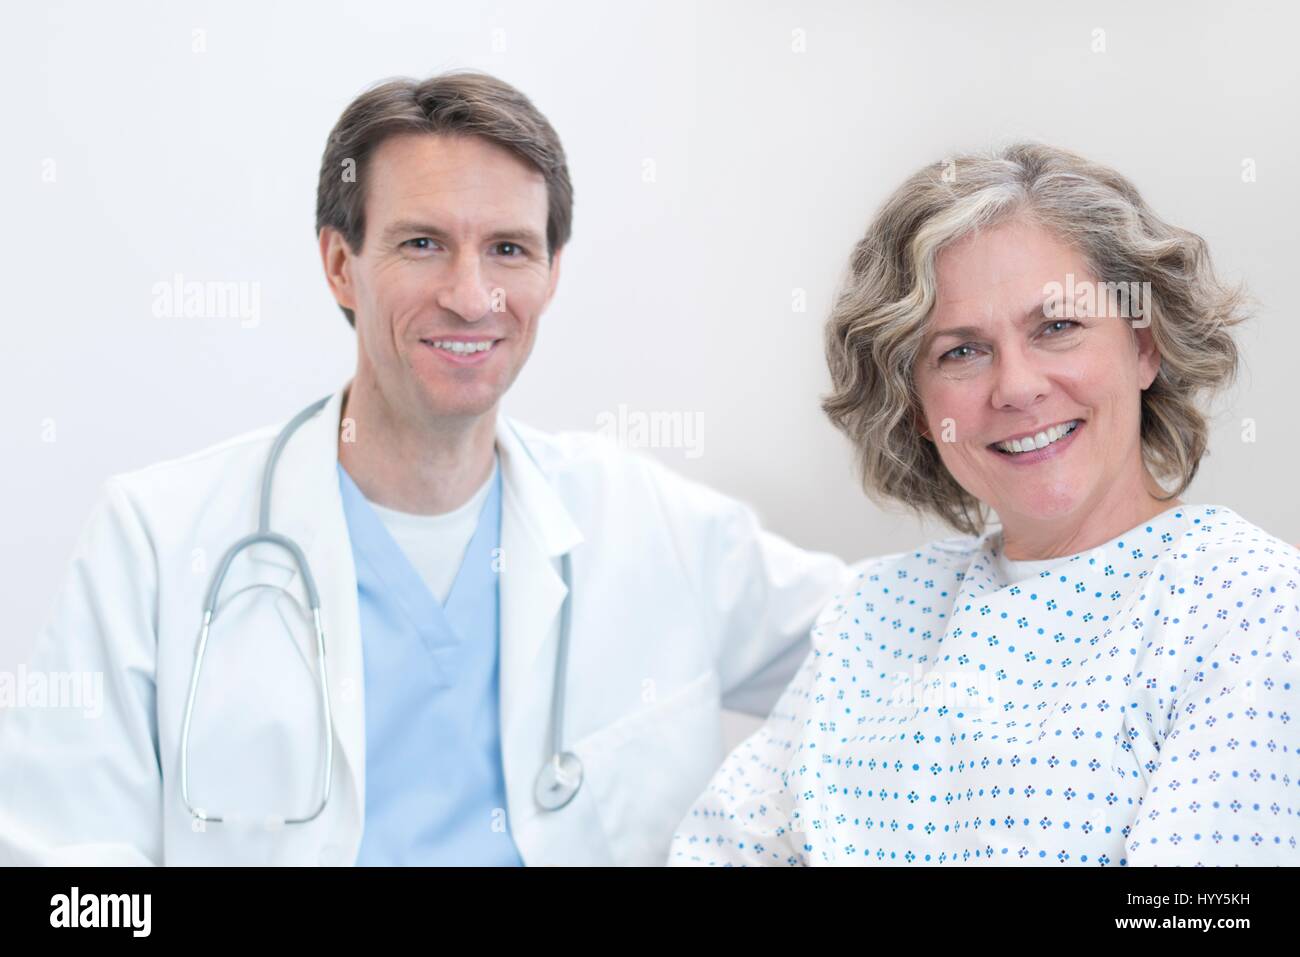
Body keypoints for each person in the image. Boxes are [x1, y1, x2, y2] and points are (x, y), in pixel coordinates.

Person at [0, 71, 846, 866]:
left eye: (510, 249)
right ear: (341, 265)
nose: (471, 296)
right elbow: (69, 884)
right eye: (423, 242)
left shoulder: (650, 523)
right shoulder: (155, 540)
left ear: (552, 275)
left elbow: (900, 640)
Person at [670, 142, 1300, 866]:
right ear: (913, 406)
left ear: (1144, 346)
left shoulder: (1246, 606)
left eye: (1057, 327)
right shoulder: (876, 609)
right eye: (960, 352)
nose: (1016, 386)